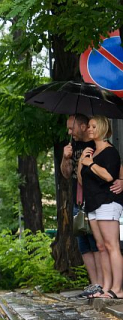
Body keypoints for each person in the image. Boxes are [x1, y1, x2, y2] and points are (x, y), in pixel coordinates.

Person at [77, 115, 123, 300]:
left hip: (107, 202)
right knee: (101, 246)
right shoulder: (91, 152)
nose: (89, 129)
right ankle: (105, 286)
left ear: (103, 129)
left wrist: (91, 164)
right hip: (93, 204)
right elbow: (82, 180)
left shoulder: (109, 152)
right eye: (88, 126)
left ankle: (118, 289)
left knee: (112, 246)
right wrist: (82, 161)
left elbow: (109, 176)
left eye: (93, 126)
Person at [60, 113, 103, 298]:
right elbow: (66, 174)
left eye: (72, 128)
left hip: (94, 200)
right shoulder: (72, 146)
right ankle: (93, 283)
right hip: (78, 201)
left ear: (84, 126)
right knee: (83, 244)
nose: (70, 132)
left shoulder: (96, 145)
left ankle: (102, 283)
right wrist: (65, 158)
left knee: (96, 243)